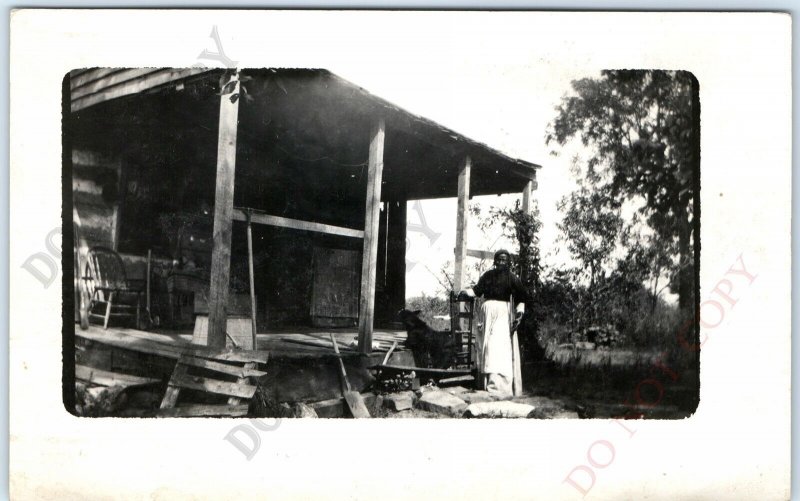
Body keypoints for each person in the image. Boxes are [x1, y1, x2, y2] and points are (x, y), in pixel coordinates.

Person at [460, 249, 528, 396]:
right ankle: (485, 383)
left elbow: (522, 297)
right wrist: (465, 292)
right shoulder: (488, 276)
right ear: (495, 261)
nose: (501, 262)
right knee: (486, 345)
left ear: (508, 262)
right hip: (487, 313)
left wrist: (519, 314)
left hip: (503, 314)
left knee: (499, 347)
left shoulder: (512, 278)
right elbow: (477, 291)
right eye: (499, 259)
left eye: (504, 260)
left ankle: (500, 386)